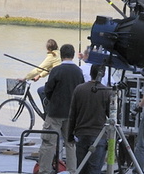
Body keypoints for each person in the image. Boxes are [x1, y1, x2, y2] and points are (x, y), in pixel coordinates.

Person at [38, 44, 80, 174]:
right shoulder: (78, 71)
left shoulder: (56, 70)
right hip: (72, 114)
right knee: (70, 144)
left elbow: (48, 90)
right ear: (73, 55)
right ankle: (72, 171)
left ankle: (44, 170)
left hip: (55, 112)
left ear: (61, 55)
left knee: (49, 143)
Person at [67, 64, 111, 174]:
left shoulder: (79, 89)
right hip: (98, 136)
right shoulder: (106, 92)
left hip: (81, 134)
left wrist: (70, 136)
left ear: (90, 73)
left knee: (81, 169)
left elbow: (72, 115)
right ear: (103, 74)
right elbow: (111, 116)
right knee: (94, 170)